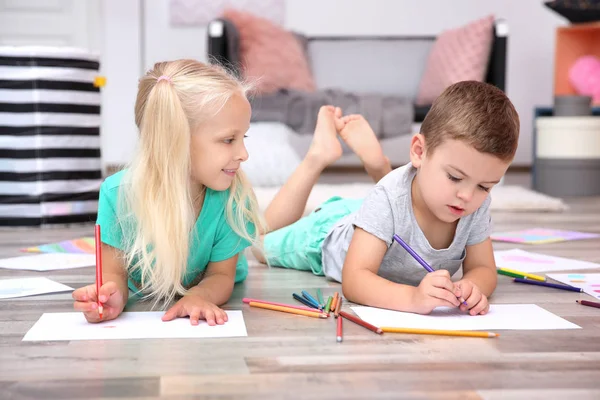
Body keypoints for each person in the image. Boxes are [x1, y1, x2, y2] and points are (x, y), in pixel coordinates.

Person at [257, 81, 520, 316]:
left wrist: (473, 287)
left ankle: (379, 166)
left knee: (395, 202)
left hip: (377, 219)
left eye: (485, 187)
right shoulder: (387, 199)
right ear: (419, 151)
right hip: (327, 233)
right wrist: (412, 298)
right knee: (257, 243)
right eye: (454, 177)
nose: (467, 196)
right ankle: (318, 156)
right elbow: (355, 280)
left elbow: (484, 268)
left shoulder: (475, 203)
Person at [72, 59, 266, 325]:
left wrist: (199, 296)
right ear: (175, 141)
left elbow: (221, 276)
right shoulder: (117, 194)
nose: (243, 154)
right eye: (228, 140)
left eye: (243, 138)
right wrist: (110, 296)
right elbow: (113, 274)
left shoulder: (232, 195)